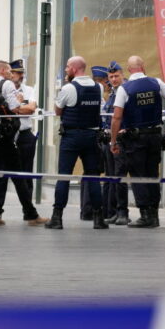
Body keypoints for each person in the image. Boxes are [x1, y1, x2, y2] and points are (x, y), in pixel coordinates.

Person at [110, 55, 165, 228]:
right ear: (143, 67)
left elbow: (117, 117)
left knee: (138, 175)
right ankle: (154, 214)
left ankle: (145, 215)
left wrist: (113, 141)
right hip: (155, 137)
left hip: (135, 140)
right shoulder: (156, 83)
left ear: (128, 70)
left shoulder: (125, 89)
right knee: (152, 174)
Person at [0, 61, 47, 226]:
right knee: (18, 176)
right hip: (5, 139)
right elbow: (16, 109)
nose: (11, 73)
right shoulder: (7, 84)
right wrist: (23, 103)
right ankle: (31, 215)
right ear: (2, 70)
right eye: (9, 70)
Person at [45, 56, 108, 230]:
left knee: (64, 176)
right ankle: (98, 218)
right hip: (91, 136)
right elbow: (99, 108)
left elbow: (58, 111)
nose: (65, 70)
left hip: (72, 137)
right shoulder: (98, 87)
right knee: (93, 176)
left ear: (74, 69)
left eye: (67, 67)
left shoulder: (68, 88)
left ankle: (57, 218)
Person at [79, 65, 108, 221]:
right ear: (102, 82)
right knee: (93, 172)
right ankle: (89, 209)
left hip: (92, 136)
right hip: (97, 137)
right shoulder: (99, 97)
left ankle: (86, 209)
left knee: (89, 173)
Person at [103, 61, 130, 225]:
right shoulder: (113, 94)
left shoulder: (125, 92)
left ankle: (123, 212)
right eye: (111, 76)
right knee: (112, 177)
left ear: (122, 75)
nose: (114, 79)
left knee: (119, 178)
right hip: (109, 139)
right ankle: (113, 211)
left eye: (116, 76)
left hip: (120, 140)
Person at [9, 59, 39, 203]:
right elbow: (6, 111)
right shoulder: (5, 90)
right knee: (5, 173)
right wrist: (21, 108)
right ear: (10, 73)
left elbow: (32, 109)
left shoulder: (29, 90)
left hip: (25, 134)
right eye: (17, 73)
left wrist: (17, 106)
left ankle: (29, 209)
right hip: (9, 136)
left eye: (22, 73)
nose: (20, 76)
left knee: (27, 172)